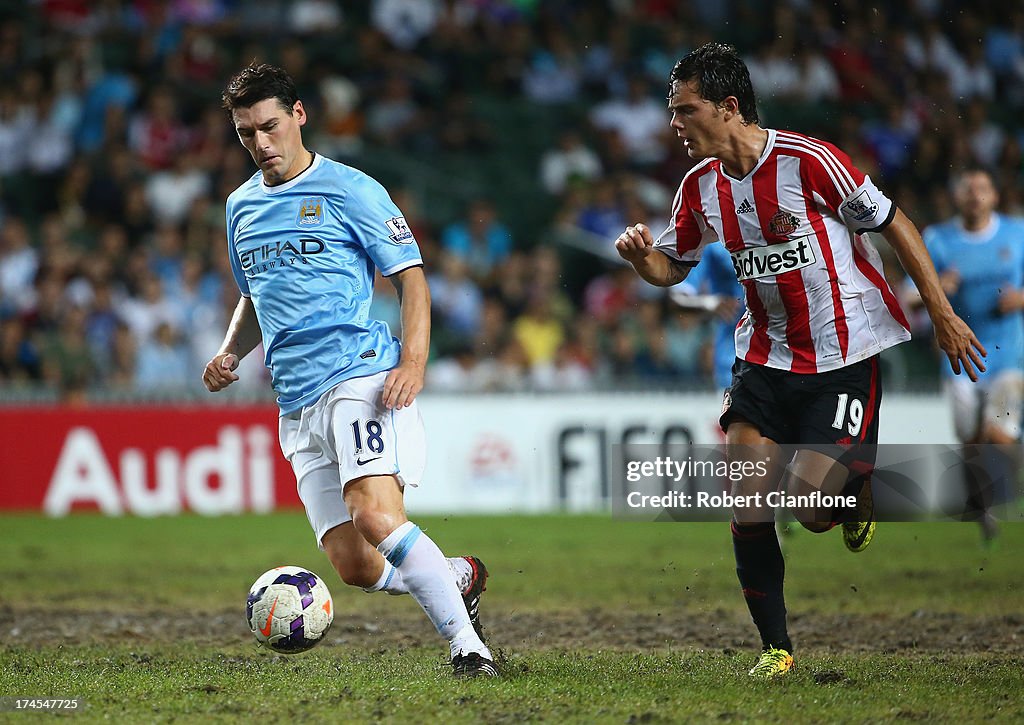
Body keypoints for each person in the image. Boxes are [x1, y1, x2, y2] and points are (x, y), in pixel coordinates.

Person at [615, 43, 984, 679]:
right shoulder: (699, 188)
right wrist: (641, 258)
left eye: (686, 109)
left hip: (841, 358)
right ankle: (776, 649)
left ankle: (857, 490)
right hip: (762, 358)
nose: (674, 123)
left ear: (729, 108)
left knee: (812, 508)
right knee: (748, 499)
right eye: (672, 110)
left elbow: (893, 222)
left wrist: (942, 312)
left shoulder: (810, 162)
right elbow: (672, 265)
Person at [203, 62, 497, 678]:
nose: (260, 144)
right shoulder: (240, 207)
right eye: (245, 133)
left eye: (270, 126)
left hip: (358, 375)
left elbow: (410, 278)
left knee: (375, 515)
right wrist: (233, 350)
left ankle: (469, 649)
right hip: (295, 400)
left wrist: (413, 362)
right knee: (355, 565)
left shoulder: (352, 189)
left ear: (299, 115)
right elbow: (257, 293)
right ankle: (454, 577)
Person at [916, 168, 1024, 544]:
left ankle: (1004, 496)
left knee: (998, 435)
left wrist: (1021, 298)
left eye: (982, 188)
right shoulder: (938, 239)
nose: (975, 195)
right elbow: (911, 295)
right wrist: (937, 288)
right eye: (967, 189)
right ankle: (982, 509)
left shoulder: (1017, 233)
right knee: (970, 439)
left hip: (1008, 353)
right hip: (960, 356)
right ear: (955, 197)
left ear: (995, 196)